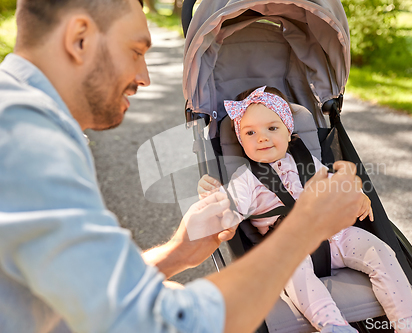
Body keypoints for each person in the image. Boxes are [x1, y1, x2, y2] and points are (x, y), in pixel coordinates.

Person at [0, 1, 366, 332]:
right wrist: (305, 227)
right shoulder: (25, 141)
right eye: (135, 52)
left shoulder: (22, 120)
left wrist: (176, 253)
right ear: (79, 38)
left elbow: (75, 295)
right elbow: (157, 323)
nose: (144, 77)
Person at [198, 86, 412, 333]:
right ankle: (335, 327)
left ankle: (409, 327)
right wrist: (214, 195)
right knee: (291, 270)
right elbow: (230, 211)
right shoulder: (246, 179)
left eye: (272, 128)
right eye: (250, 132)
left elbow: (333, 185)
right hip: (290, 246)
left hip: (338, 235)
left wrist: (357, 195)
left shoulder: (305, 159)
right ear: (241, 141)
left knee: (379, 250)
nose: (261, 137)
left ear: (288, 131)